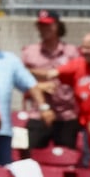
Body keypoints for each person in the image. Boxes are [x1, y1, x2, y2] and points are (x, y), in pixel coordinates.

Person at [0, 20, 51, 167]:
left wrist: (44, 107)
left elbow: (30, 84)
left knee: (2, 172)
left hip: (1, 129)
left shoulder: (9, 60)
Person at [19, 10, 81, 152]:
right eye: (41, 25)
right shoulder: (30, 52)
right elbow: (19, 79)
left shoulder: (71, 52)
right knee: (27, 154)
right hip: (38, 113)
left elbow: (79, 76)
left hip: (66, 115)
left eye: (48, 25)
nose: (44, 29)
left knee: (67, 157)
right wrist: (39, 85)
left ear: (57, 26)